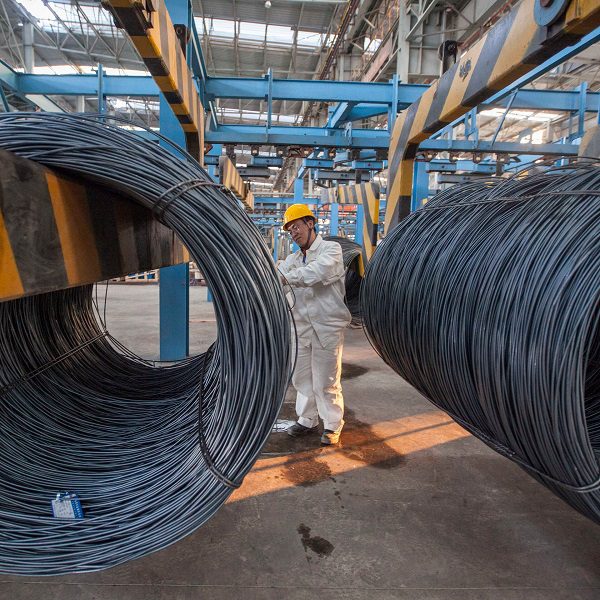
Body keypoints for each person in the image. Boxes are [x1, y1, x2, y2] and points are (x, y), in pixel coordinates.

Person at [277, 204, 351, 445]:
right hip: (300, 328)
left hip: (326, 327)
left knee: (325, 381)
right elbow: (278, 279)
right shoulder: (292, 259)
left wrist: (285, 278)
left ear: (310, 223)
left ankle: (332, 424)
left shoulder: (331, 250)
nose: (293, 233)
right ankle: (307, 419)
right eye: (289, 230)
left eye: (296, 227)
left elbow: (317, 273)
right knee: (302, 378)